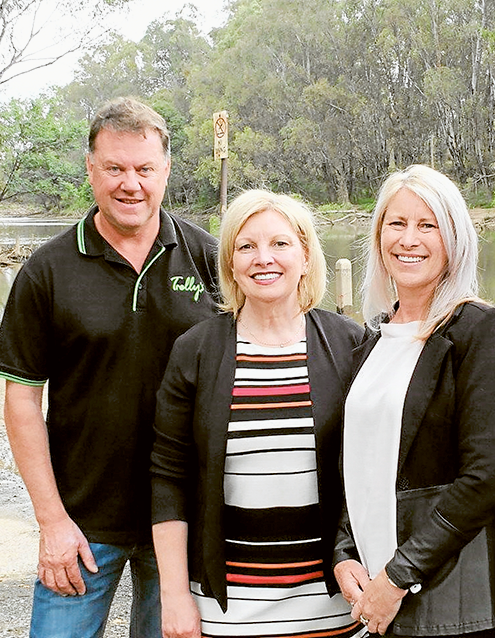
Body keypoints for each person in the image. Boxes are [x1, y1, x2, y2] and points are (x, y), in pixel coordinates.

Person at [0, 97, 219, 638]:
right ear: (91, 168)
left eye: (144, 169)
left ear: (166, 171)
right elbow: (22, 400)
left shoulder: (207, 256)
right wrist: (51, 522)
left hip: (182, 524)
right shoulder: (48, 269)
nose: (130, 184)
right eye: (115, 168)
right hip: (81, 525)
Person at [150, 189, 365, 638]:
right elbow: (168, 477)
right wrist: (174, 596)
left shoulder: (351, 345)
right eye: (246, 246)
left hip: (332, 606)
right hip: (226, 610)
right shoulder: (196, 350)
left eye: (280, 244)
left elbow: (376, 472)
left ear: (306, 256)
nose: (263, 258)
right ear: (230, 263)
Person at [333, 164, 495, 637]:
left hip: (450, 588)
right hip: (375, 576)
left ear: (454, 239)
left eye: (428, 226)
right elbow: (356, 458)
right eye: (397, 224)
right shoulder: (374, 337)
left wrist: (400, 574)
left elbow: (484, 478)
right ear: (379, 235)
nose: (409, 239)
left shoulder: (478, 330)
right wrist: (344, 551)